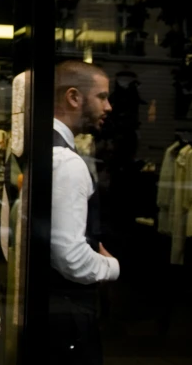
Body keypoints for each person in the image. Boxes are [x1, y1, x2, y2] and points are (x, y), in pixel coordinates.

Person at [50, 60, 119, 365]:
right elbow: (70, 257)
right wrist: (111, 267)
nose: (109, 107)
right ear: (74, 97)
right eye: (102, 97)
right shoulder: (67, 162)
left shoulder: (39, 148)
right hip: (68, 314)